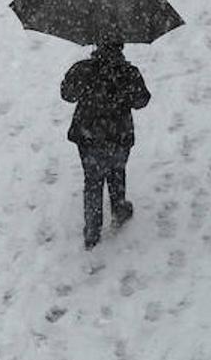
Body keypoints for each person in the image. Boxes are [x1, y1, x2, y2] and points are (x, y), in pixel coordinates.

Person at [60, 43, 150, 249]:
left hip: (88, 134)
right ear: (121, 47)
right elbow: (141, 100)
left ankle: (92, 228)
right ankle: (119, 208)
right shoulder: (128, 73)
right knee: (117, 171)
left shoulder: (83, 69)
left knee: (92, 179)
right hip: (118, 133)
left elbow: (67, 94)